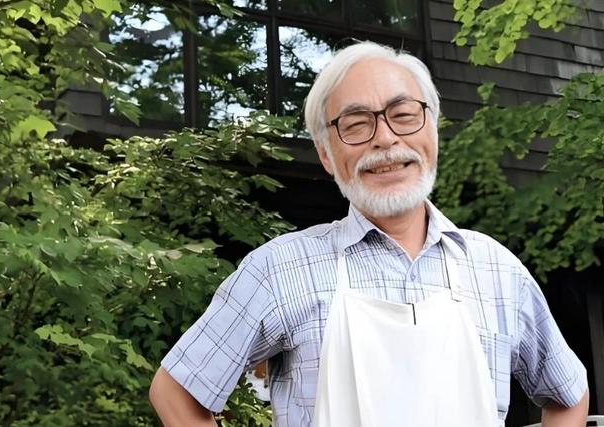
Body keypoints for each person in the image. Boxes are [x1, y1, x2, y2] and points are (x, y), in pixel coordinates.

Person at [149, 41, 589, 427]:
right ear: (326, 154)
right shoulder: (278, 270)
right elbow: (176, 392)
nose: (385, 139)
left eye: (403, 115)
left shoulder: (497, 270)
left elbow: (568, 395)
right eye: (356, 124)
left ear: (432, 130)